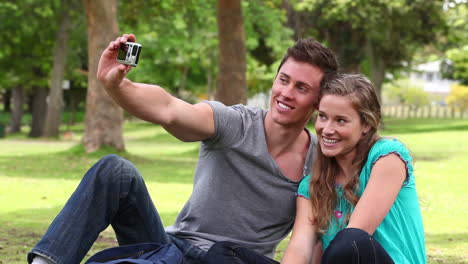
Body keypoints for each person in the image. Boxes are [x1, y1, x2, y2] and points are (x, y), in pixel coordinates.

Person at [27, 34, 339, 264]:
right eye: (283, 80)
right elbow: (170, 109)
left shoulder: (318, 163)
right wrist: (117, 86)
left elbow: (315, 237)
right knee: (115, 171)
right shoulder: (235, 124)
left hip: (235, 261)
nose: (286, 93)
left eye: (301, 88)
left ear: (318, 102)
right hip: (175, 247)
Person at [205, 74, 426, 264]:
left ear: (366, 125)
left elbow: (357, 236)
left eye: (341, 120)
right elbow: (300, 250)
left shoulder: (387, 157)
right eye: (323, 117)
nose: (327, 129)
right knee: (224, 254)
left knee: (351, 241)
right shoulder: (312, 186)